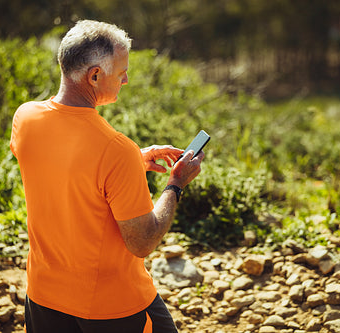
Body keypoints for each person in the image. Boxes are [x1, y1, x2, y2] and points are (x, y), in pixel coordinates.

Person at [10, 20, 204, 333]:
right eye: (122, 71)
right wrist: (176, 184)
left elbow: (60, 166)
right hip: (111, 308)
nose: (126, 79)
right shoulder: (115, 149)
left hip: (43, 297)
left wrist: (131, 163)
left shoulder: (25, 117)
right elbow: (142, 241)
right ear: (95, 75)